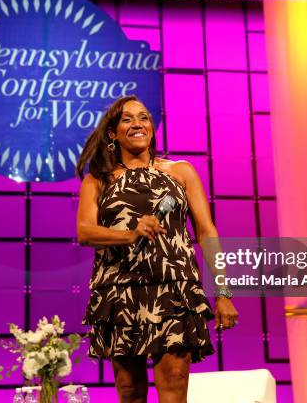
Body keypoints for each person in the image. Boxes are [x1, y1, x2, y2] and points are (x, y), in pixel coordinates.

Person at [76, 95, 238, 403]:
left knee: (175, 384)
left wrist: (225, 293)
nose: (137, 123)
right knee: (130, 391)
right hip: (121, 291)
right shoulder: (99, 179)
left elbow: (206, 232)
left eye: (144, 117)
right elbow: (84, 232)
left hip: (174, 289)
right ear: (113, 133)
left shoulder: (180, 172)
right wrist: (131, 234)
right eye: (127, 119)